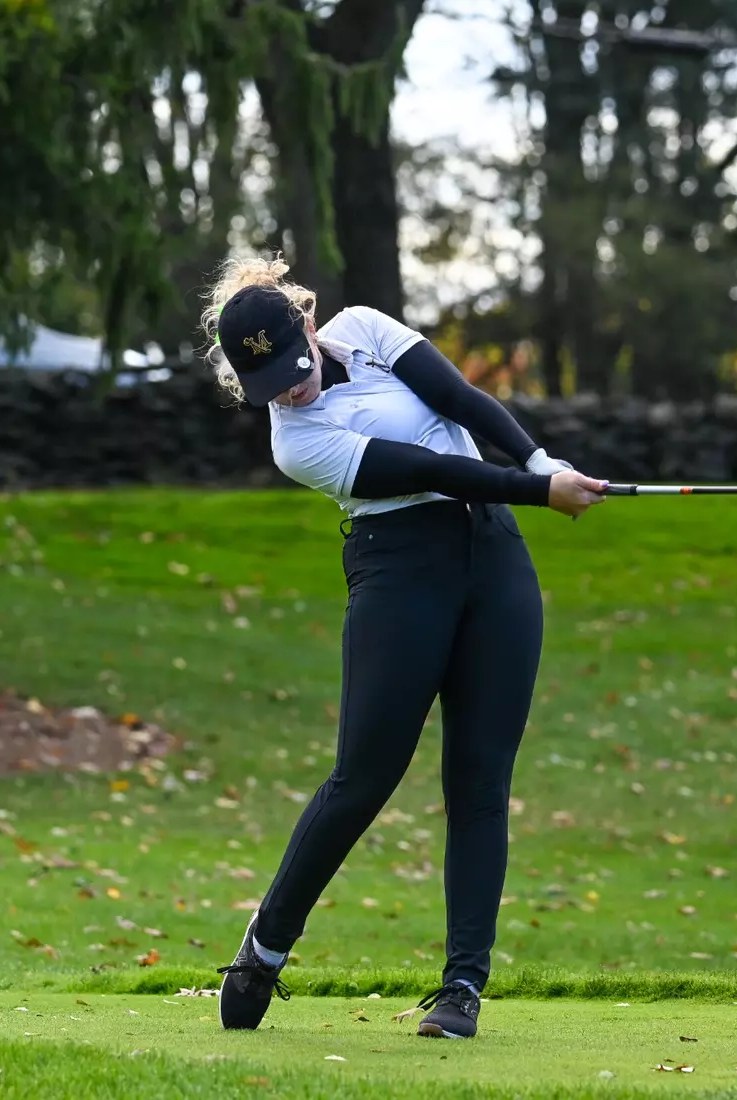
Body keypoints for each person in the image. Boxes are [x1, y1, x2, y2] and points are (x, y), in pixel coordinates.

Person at [197, 254, 609, 1041]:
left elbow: (461, 400)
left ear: (307, 328)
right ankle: (265, 950)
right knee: (364, 777)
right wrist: (541, 493)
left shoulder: (367, 330)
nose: (289, 388)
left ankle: (462, 988)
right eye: (269, 386)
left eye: (293, 366)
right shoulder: (297, 442)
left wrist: (539, 462)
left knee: (481, 778)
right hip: (399, 572)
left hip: (494, 560)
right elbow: (424, 468)